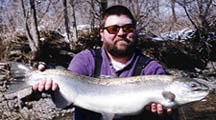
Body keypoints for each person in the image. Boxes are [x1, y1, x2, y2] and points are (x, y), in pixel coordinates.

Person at [33, 5, 174, 120]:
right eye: (113, 29)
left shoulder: (152, 70)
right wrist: (51, 85)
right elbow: (64, 102)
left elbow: (169, 109)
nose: (121, 33)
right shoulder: (85, 60)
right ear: (101, 34)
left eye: (128, 28)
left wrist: (161, 113)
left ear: (135, 32)